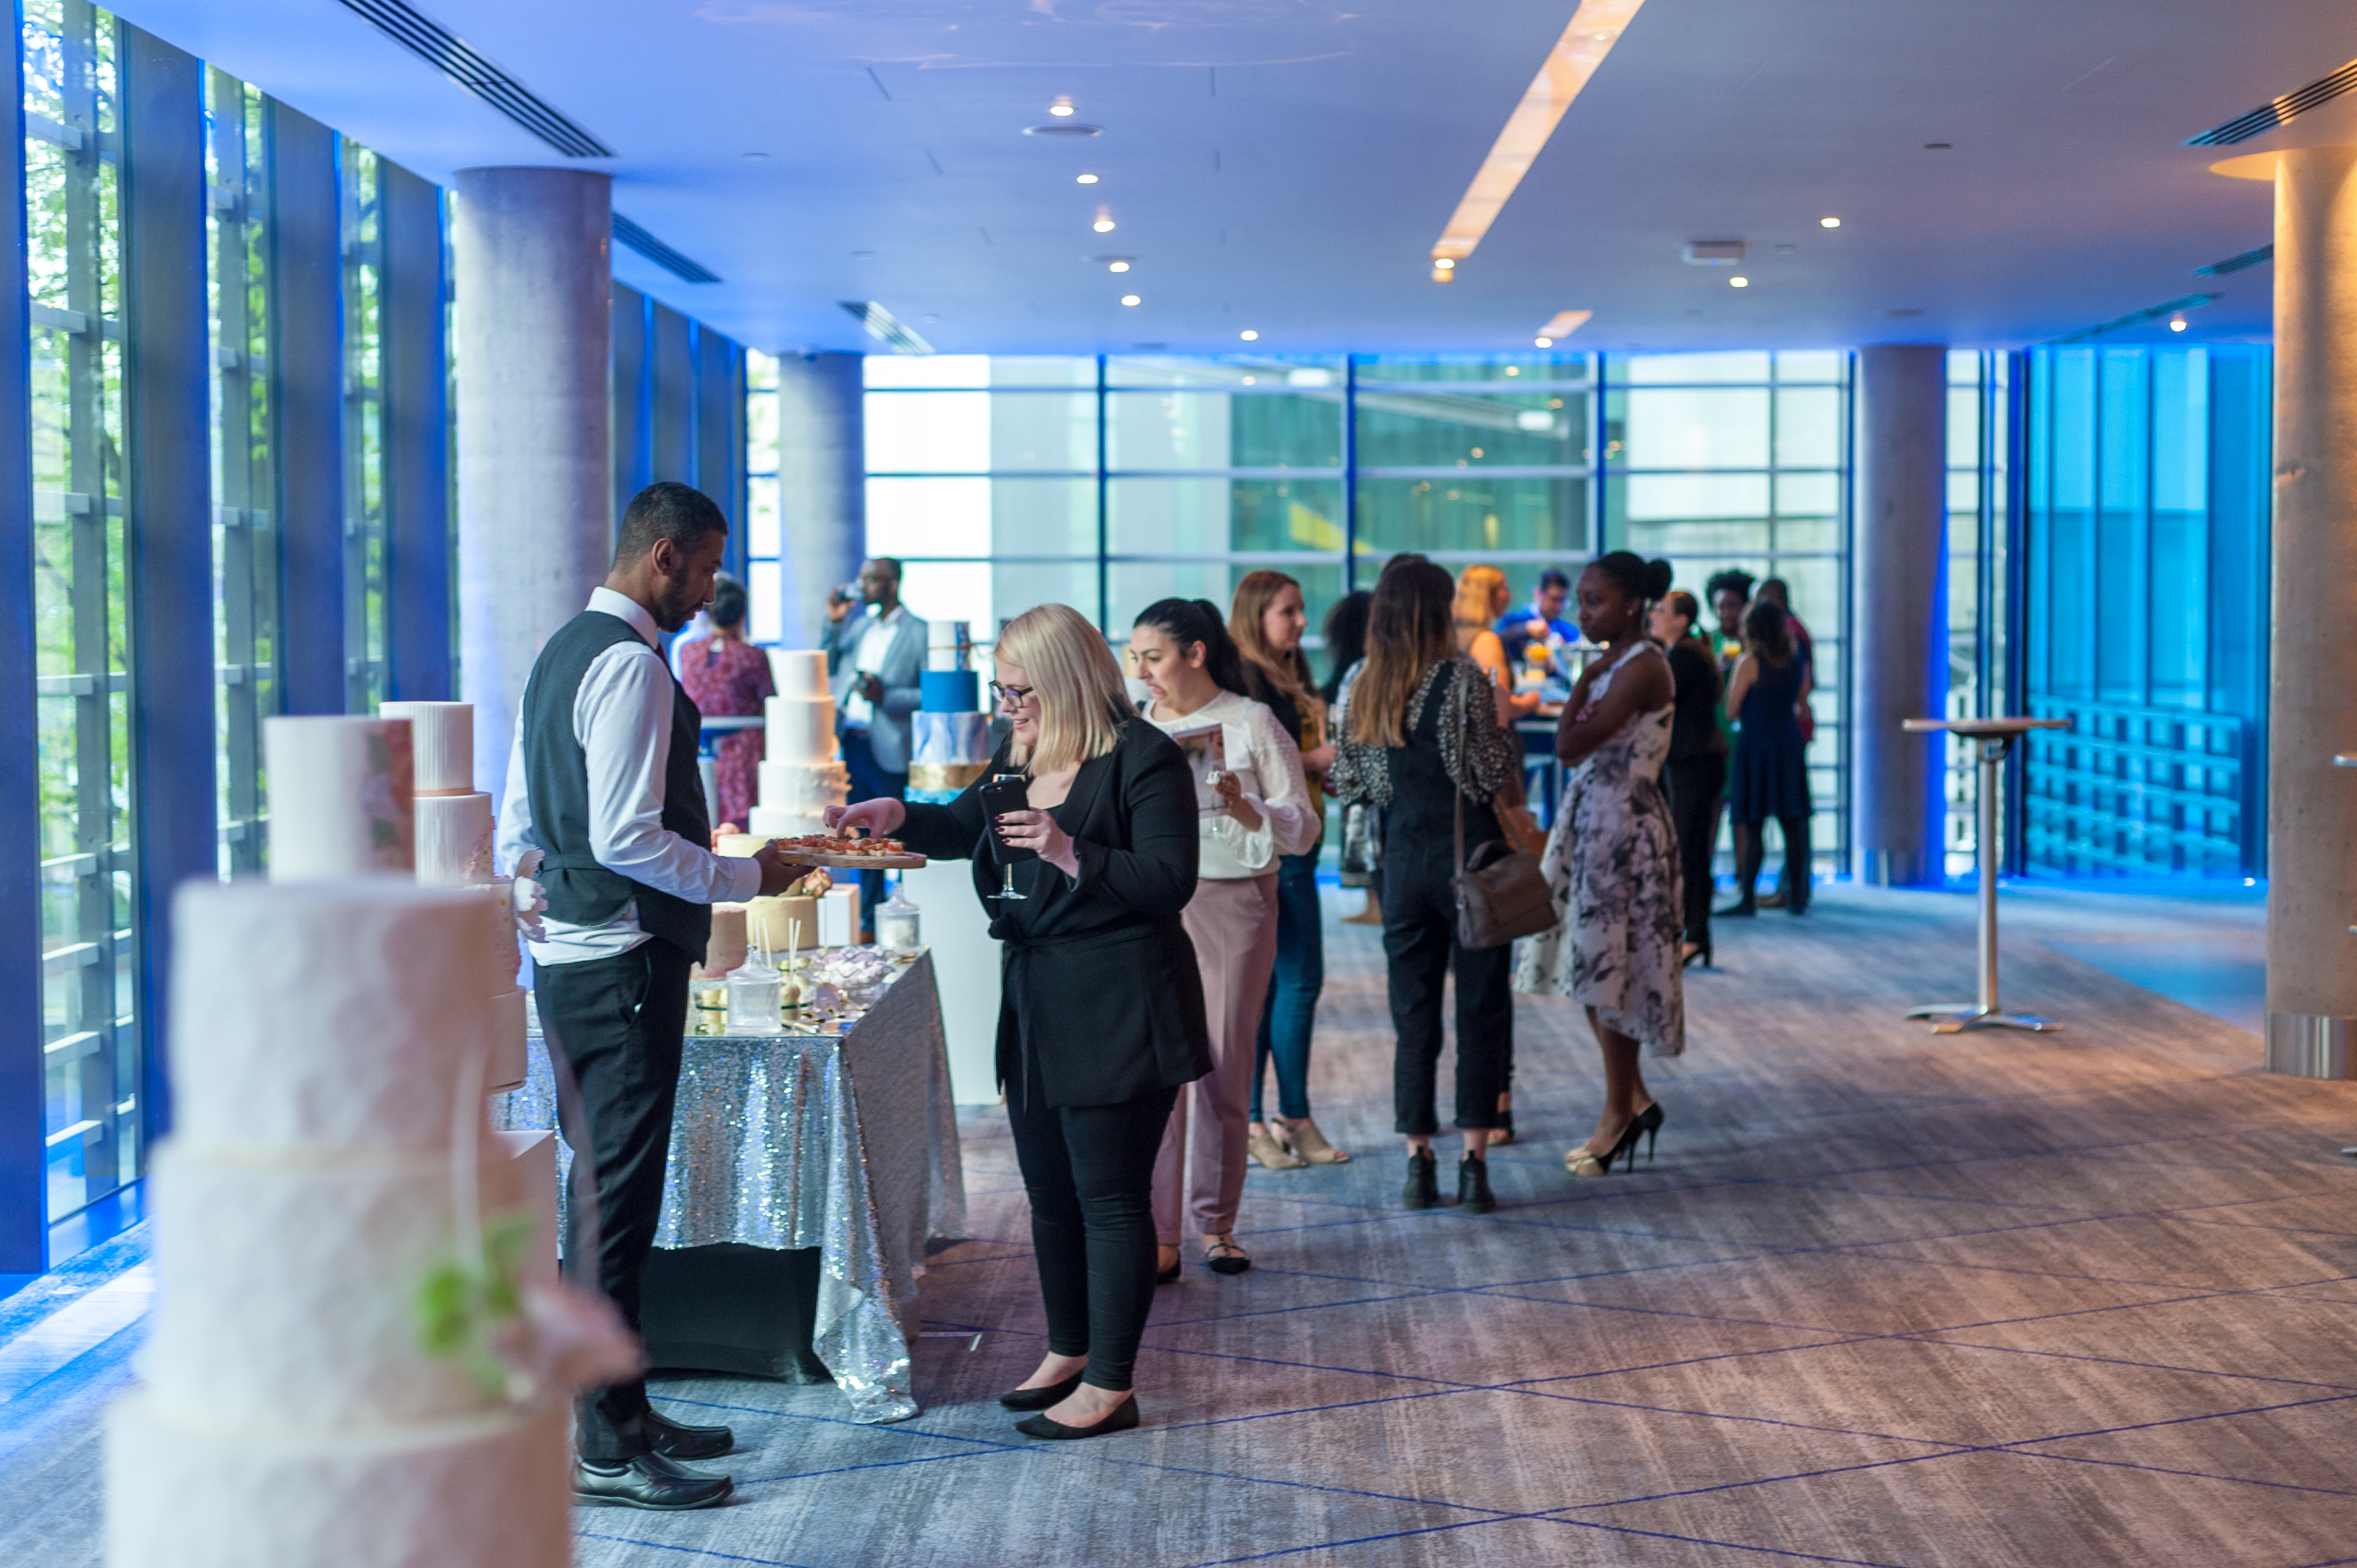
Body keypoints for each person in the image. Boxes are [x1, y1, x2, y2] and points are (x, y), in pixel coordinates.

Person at [831, 603, 1210, 1441]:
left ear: (1066, 682)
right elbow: (960, 826)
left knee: (1110, 1197)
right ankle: (1069, 1350)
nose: (1006, 706)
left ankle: (1111, 1385)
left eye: (1018, 692)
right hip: (1040, 1000)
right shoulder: (1018, 755)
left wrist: (1068, 849)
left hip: (1121, 1001)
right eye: (1001, 692)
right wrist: (898, 816)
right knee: (1050, 1194)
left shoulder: (1143, 758)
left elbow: (1169, 881)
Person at [498, 482, 807, 1509]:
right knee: (613, 1209)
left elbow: (521, 821)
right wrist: (747, 876)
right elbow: (628, 837)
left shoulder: (561, 650)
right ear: (664, 554)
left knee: (605, 1196)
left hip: (575, 961)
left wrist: (532, 887)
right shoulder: (631, 664)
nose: (711, 589)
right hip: (625, 962)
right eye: (708, 566)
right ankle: (604, 1444)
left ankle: (623, 1411)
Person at [1131, 598, 1319, 1274]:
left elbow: (1303, 828)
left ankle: (1216, 1224)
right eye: (1135, 659)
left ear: (1196, 654)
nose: (1142, 672)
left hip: (1237, 904)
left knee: (1222, 1065)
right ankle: (1159, 1233)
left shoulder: (1251, 721)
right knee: (1158, 1072)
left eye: (1153, 657)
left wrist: (1245, 803)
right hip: (1156, 904)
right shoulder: (1137, 727)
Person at [1328, 558, 1519, 1215]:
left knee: (1413, 1017)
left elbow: (1351, 784)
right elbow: (1486, 778)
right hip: (1468, 866)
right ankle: (1473, 1166)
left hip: (1401, 865)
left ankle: (1418, 1162)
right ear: (1438, 612)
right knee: (1481, 1011)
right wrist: (1500, 722)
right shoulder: (1464, 681)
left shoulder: (1362, 683)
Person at [1512, 553, 1684, 1178]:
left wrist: (1586, 680)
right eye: (1582, 600)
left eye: (1596, 601)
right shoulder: (1619, 662)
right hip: (1597, 821)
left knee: (1612, 971)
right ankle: (1633, 1101)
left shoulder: (1641, 667)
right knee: (1589, 967)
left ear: (1633, 604)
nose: (1584, 613)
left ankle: (1618, 1115)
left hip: (1624, 830)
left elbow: (1568, 745)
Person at [1228, 571, 1348, 1171]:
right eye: (1288, 612)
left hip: (1295, 842)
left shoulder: (1282, 673)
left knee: (1276, 987)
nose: (1302, 622)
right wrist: (1315, 759)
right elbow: (1246, 769)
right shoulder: (1248, 682)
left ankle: (1264, 1121)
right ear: (1256, 617)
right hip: (1280, 849)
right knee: (1296, 984)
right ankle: (1282, 1120)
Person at [824, 557, 928, 930]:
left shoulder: (919, 632)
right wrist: (834, 622)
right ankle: (868, 919)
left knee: (894, 832)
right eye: (862, 577)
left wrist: (886, 696)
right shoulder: (859, 627)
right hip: (853, 741)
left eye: (871, 579)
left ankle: (900, 915)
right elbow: (828, 663)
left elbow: (930, 694)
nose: (862, 585)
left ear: (892, 583)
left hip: (891, 747)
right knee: (861, 835)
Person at [1722, 598, 1813, 917]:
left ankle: (1747, 897)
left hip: (1757, 745)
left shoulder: (1749, 663)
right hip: (1788, 743)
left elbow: (1731, 710)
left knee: (1753, 823)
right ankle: (1798, 897)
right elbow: (1802, 703)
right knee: (1793, 823)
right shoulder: (1794, 661)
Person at [1651, 589, 1725, 968]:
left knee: (1687, 851)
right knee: (1691, 850)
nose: (1653, 615)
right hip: (1696, 761)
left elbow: (1655, 701)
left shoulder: (1683, 656)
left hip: (1694, 762)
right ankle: (1695, 935)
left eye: (1661, 611)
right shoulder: (1688, 652)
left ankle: (1692, 935)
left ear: (1681, 620)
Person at [676, 573, 773, 830]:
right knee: (743, 830)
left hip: (698, 746)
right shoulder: (752, 656)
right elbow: (771, 703)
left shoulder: (689, 652)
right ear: (743, 615)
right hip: (744, 752)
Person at [1321, 590, 1382, 926]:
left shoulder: (1351, 668)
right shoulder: (1366, 668)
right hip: (1363, 757)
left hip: (1355, 759)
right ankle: (1374, 900)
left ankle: (1373, 901)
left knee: (1360, 823)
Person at [1452, 563, 1542, 721]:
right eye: (1505, 589)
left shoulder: (1453, 635)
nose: (1510, 596)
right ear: (1486, 594)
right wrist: (1532, 701)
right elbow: (1499, 708)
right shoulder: (1486, 641)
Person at [1496, 567, 1576, 666]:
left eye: (1563, 601)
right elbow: (1496, 638)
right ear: (1538, 593)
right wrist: (1526, 629)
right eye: (1554, 599)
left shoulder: (1566, 630)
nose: (1559, 607)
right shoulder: (1513, 621)